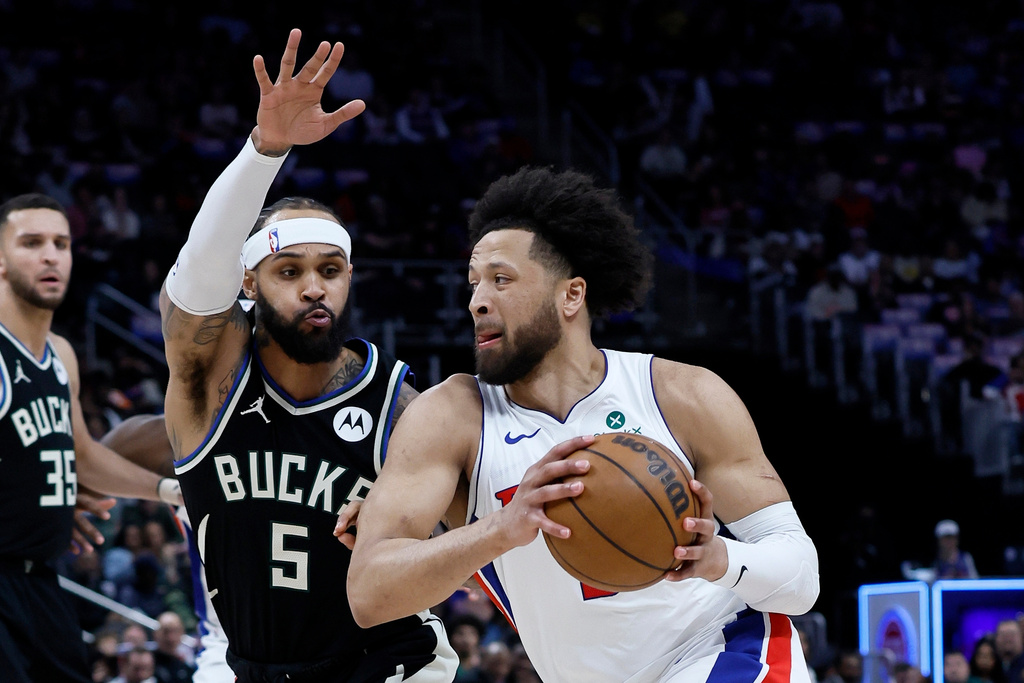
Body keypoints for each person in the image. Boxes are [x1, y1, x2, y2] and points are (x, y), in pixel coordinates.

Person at [347, 165, 820, 682]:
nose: (477, 300)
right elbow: (370, 595)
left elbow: (802, 578)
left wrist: (719, 558)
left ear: (571, 295)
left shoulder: (681, 395)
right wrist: (500, 529)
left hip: (722, 652)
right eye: (474, 283)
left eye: (501, 280)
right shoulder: (451, 415)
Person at [158, 29, 457, 683]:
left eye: (330, 268)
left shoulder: (400, 404)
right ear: (248, 284)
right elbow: (190, 285)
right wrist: (265, 151)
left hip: (387, 659)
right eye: (288, 270)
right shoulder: (209, 378)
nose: (314, 286)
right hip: (256, 665)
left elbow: (468, 539)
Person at [0, 193, 183, 682]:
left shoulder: (61, 354)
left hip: (40, 579)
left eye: (61, 243)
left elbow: (81, 452)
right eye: (31, 242)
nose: (49, 255)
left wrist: (169, 490)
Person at [99, 413, 231, 683]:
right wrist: (73, 493)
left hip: (321, 645)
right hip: (228, 651)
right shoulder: (202, 428)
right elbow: (96, 460)